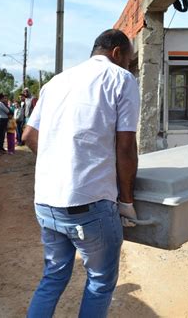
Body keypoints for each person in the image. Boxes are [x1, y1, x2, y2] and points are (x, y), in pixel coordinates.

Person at [22, 29, 140, 318]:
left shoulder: (55, 82)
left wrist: (58, 162)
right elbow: (126, 146)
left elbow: (28, 135)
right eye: (128, 59)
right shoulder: (122, 79)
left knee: (53, 277)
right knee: (100, 282)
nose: (129, 65)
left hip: (47, 202)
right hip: (90, 206)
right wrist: (126, 201)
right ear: (116, 53)